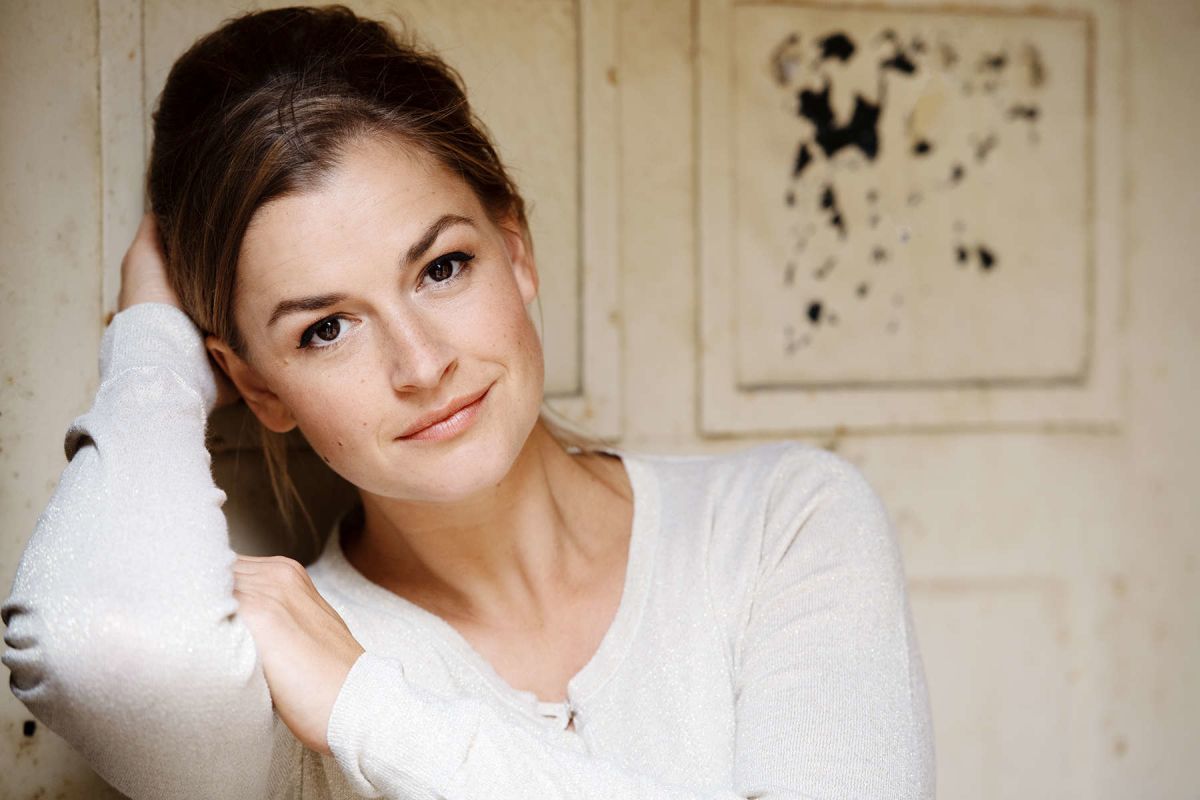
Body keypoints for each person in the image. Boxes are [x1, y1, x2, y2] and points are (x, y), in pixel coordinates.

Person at [1, 5, 935, 799]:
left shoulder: (779, 525)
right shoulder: (270, 674)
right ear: (255, 386)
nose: (421, 365)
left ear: (515, 251)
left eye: (443, 267)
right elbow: (97, 647)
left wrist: (367, 709)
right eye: (326, 328)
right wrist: (151, 347)